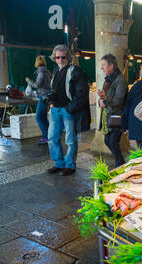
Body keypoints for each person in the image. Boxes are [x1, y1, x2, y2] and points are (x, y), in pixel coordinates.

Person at [47, 44, 91, 176]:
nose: (60, 60)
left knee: (70, 140)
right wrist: (50, 102)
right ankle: (58, 163)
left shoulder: (75, 71)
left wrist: (69, 108)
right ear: (54, 58)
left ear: (69, 57)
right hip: (55, 110)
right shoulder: (56, 71)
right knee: (52, 138)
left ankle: (70, 164)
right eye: (57, 57)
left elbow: (82, 94)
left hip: (68, 110)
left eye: (63, 57)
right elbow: (55, 90)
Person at [98, 54, 127, 168]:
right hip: (106, 115)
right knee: (107, 141)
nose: (102, 68)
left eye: (103, 65)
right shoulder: (108, 79)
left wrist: (105, 98)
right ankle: (120, 162)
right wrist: (101, 100)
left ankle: (119, 164)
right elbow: (105, 97)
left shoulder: (120, 79)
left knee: (113, 142)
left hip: (116, 116)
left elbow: (119, 100)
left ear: (111, 66)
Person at [26, 55, 52, 145]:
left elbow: (37, 85)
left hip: (44, 97)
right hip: (47, 96)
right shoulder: (47, 71)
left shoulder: (41, 72)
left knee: (39, 117)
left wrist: (28, 80)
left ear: (37, 62)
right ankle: (49, 136)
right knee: (43, 117)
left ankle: (46, 137)